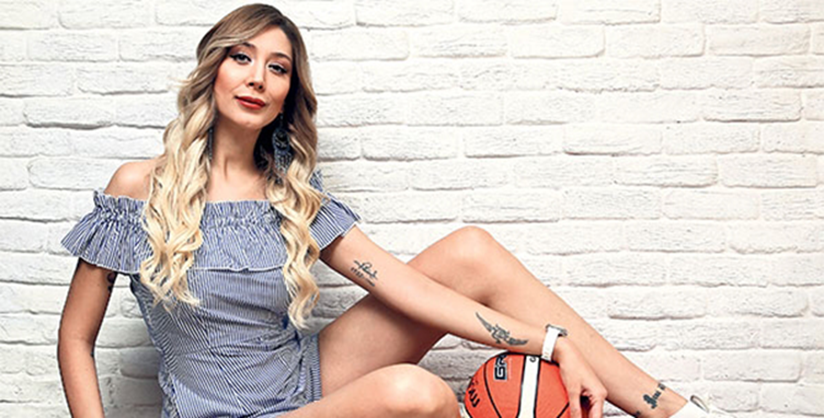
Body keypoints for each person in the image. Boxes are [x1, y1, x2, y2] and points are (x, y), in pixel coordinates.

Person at [57, 3, 735, 418]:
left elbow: (410, 291)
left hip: (307, 378)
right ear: (215, 70)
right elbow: (75, 340)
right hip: (225, 415)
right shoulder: (139, 187)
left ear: (290, 92)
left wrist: (553, 344)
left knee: (469, 252)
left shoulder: (290, 191)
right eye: (242, 58)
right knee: (417, 394)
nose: (258, 77)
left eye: (278, 67)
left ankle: (674, 413)